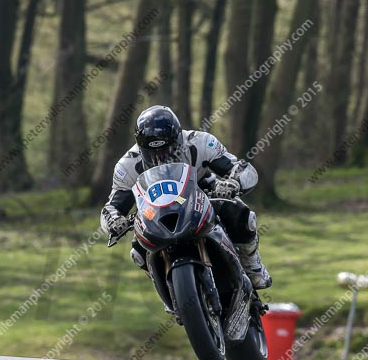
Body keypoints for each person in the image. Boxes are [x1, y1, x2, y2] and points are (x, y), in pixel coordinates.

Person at [100, 105, 272, 289]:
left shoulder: (200, 142)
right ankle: (170, 289)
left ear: (179, 139)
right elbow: (111, 207)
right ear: (141, 147)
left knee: (237, 211)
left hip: (202, 196)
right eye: (153, 152)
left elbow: (242, 168)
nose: (161, 157)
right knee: (137, 251)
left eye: (167, 149)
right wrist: (114, 221)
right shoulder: (127, 166)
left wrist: (232, 183)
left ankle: (253, 267)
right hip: (156, 212)